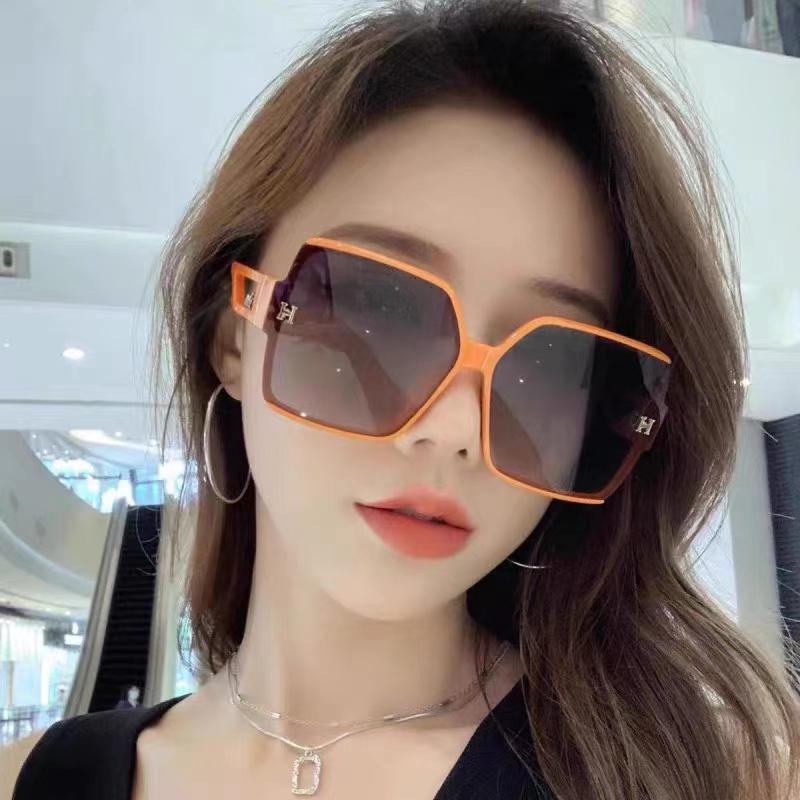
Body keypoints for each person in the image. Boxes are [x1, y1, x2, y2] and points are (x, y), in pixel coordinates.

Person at [3, 1, 799, 798]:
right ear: (235, 335)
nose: (455, 428)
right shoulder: (35, 781)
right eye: (376, 310)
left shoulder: (714, 776)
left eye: (551, 364)